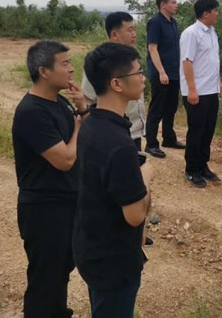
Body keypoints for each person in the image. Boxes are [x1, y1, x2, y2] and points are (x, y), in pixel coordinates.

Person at [73, 42, 152, 318]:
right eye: (138, 72)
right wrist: (146, 178)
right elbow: (134, 215)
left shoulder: (91, 123)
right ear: (117, 84)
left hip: (92, 248)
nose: (143, 78)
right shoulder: (119, 145)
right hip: (114, 263)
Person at [12, 40, 88, 318]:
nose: (71, 69)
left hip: (66, 201)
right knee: (45, 278)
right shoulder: (32, 112)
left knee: (61, 270)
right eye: (64, 63)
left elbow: (80, 146)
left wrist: (82, 108)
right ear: (44, 71)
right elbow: (65, 159)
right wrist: (78, 126)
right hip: (44, 209)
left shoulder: (60, 102)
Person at [81, 12, 146, 151]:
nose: (134, 34)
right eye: (130, 30)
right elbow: (88, 99)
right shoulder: (101, 62)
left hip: (133, 129)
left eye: (135, 29)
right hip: (112, 131)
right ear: (114, 34)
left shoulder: (130, 58)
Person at [180, 0, 222, 188]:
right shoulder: (191, 33)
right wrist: (191, 89)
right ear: (206, 13)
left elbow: (213, 59)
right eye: (215, 10)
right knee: (196, 130)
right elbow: (187, 62)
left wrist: (218, 81)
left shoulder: (212, 32)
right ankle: (191, 169)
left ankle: (202, 165)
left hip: (211, 89)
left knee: (208, 130)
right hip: (196, 91)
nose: (217, 14)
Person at [145, 0, 184, 158]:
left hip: (174, 72)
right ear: (163, 4)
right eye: (173, 2)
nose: (176, 5)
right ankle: (151, 144)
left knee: (171, 107)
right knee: (157, 108)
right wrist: (161, 72)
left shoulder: (173, 22)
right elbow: (152, 48)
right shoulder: (155, 22)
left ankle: (169, 138)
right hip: (161, 73)